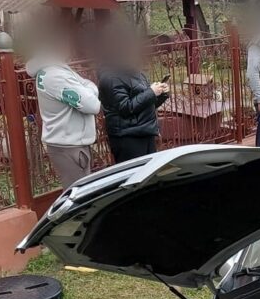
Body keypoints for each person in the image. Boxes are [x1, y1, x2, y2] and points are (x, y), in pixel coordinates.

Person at [25, 34, 101, 186]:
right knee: (78, 196)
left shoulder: (50, 71)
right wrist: (90, 88)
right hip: (69, 146)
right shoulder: (56, 76)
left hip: (65, 142)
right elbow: (93, 105)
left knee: (76, 192)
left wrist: (86, 87)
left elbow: (85, 85)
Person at [98, 30, 170, 163]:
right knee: (133, 178)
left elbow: (146, 104)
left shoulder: (136, 72)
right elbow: (125, 108)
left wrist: (160, 93)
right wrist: (151, 92)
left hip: (146, 132)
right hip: (128, 137)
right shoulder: (110, 77)